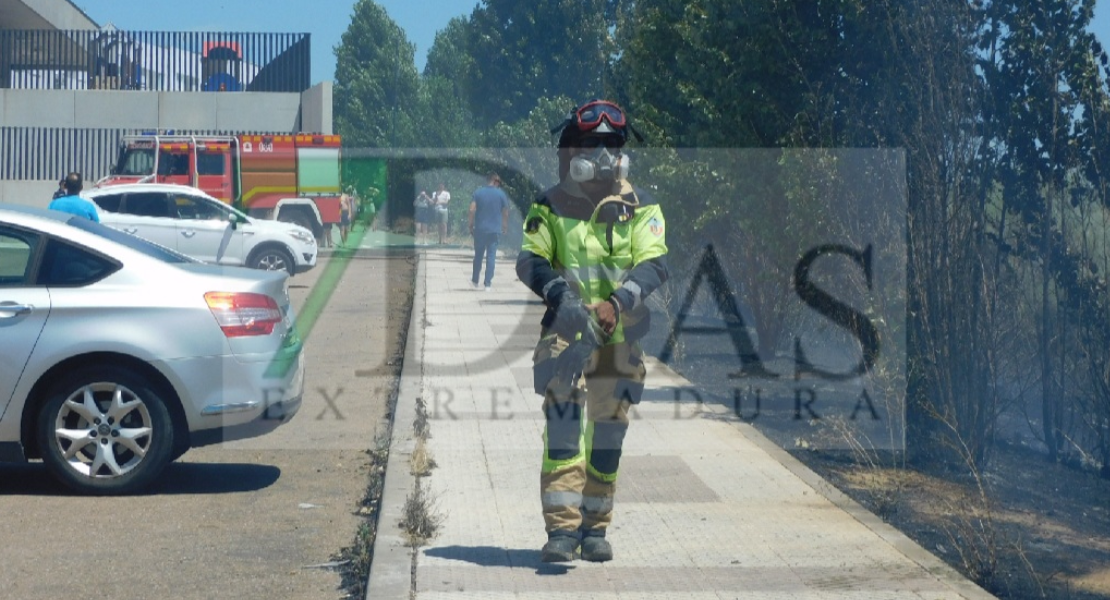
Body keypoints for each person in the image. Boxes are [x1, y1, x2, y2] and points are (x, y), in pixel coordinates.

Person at [515, 99, 668, 563]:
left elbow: (655, 264)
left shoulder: (642, 208)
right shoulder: (550, 204)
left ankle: (594, 528)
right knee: (562, 432)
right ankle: (561, 531)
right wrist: (561, 295)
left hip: (619, 341)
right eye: (592, 145)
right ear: (573, 150)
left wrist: (618, 303)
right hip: (565, 338)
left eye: (611, 146)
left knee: (607, 437)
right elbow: (531, 259)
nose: (603, 155)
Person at [469, 172, 511, 291]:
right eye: (499, 182)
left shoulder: (478, 192)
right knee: (491, 257)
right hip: (494, 230)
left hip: (480, 230)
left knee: (478, 256)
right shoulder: (501, 194)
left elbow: (472, 209)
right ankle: (487, 284)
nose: (499, 184)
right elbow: (505, 212)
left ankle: (475, 280)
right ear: (495, 181)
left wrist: (470, 225)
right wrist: (504, 226)